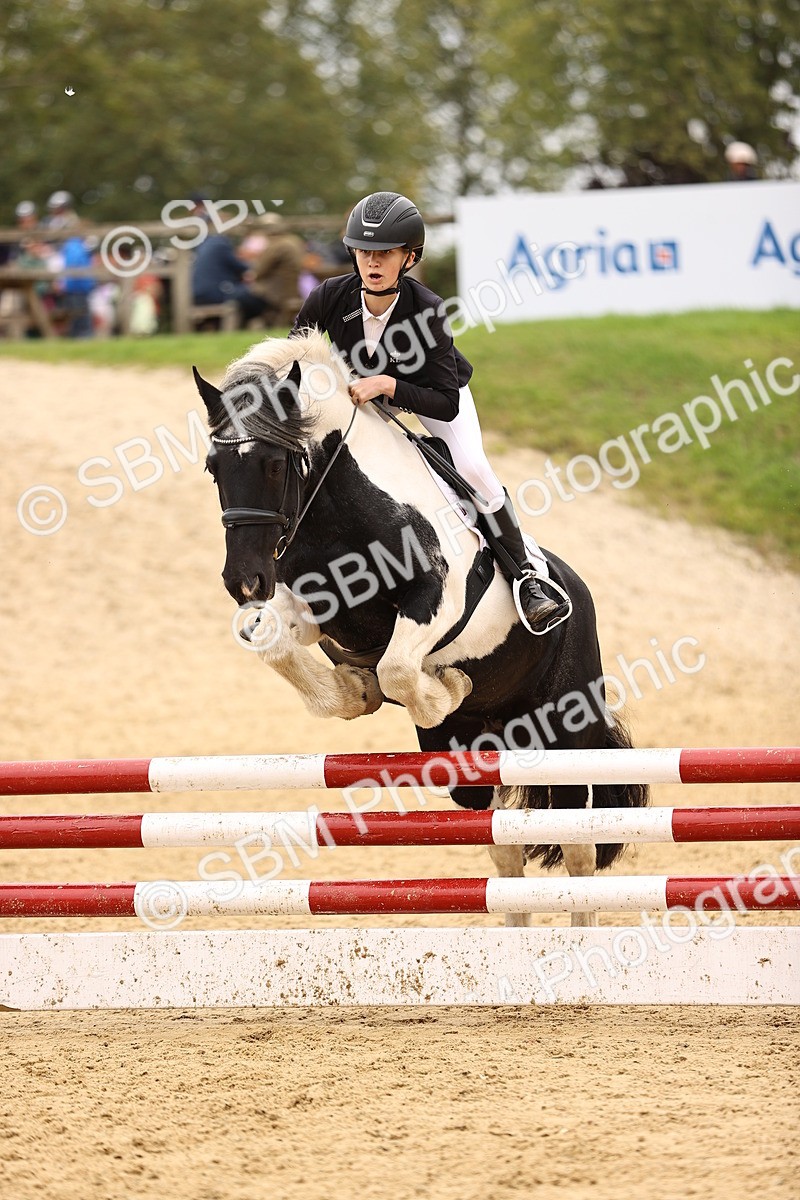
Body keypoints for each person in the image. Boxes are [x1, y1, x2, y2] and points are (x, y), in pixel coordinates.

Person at [290, 191, 564, 633]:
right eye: (363, 251)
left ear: (410, 257)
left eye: (385, 253)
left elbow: (446, 402)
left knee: (472, 469)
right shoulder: (329, 297)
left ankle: (527, 577)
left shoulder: (428, 309)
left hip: (432, 393)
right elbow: (293, 358)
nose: (372, 262)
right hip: (365, 399)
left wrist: (388, 385)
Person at [192, 228, 267, 328]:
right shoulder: (221, 245)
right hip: (215, 294)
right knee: (255, 298)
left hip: (199, 295)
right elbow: (241, 267)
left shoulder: (205, 244)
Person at [250, 214, 305, 326]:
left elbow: (259, 271)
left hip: (275, 294)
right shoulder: (295, 241)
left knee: (239, 297)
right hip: (293, 291)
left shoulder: (276, 245)